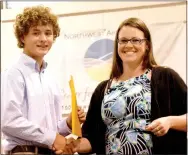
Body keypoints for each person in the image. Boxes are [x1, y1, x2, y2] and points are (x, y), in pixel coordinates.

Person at [64, 17, 187, 155]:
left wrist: (170, 121)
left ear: (147, 45)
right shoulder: (103, 89)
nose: (128, 45)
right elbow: (92, 140)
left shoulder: (165, 77)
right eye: (123, 40)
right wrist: (76, 146)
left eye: (135, 40)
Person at [1, 5, 85, 155]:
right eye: (36, 33)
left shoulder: (51, 79)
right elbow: (9, 121)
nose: (43, 39)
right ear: (22, 37)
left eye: (48, 33)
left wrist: (68, 123)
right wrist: (53, 138)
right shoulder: (13, 73)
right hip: (24, 152)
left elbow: (52, 130)